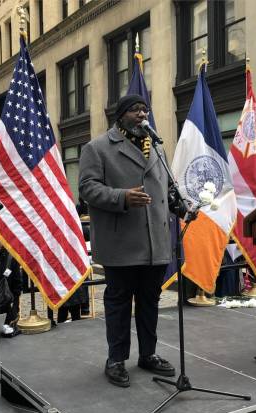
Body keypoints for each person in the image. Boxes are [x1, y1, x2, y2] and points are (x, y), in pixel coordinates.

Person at [78, 94, 179, 388]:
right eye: (135, 109)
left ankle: (148, 354)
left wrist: (181, 206)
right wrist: (122, 197)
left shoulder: (157, 147)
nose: (142, 114)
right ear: (120, 115)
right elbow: (87, 188)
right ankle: (116, 359)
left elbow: (168, 187)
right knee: (119, 303)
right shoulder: (97, 148)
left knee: (150, 301)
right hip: (121, 243)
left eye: (144, 109)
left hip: (155, 243)